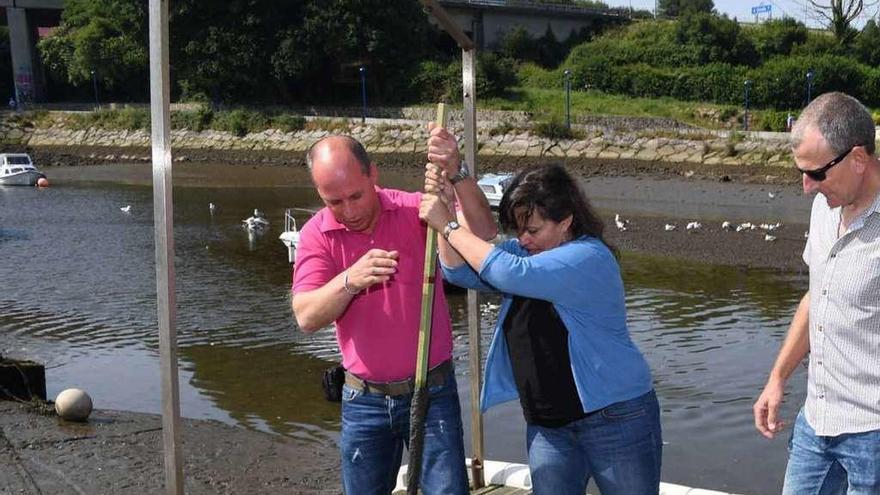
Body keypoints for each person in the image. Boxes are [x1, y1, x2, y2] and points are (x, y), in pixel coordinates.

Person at [420, 163, 662, 495]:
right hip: (549, 427)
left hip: (615, 419)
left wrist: (447, 226)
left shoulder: (588, 256)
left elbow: (507, 273)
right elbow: (458, 272)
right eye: (519, 230)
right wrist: (449, 207)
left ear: (565, 221)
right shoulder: (526, 253)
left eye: (532, 230)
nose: (523, 239)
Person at [291, 130, 496, 494]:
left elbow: (483, 230)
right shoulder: (316, 234)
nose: (349, 211)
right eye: (334, 201)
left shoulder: (415, 210)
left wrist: (457, 173)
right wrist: (349, 280)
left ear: (373, 174)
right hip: (362, 400)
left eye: (356, 195)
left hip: (431, 392)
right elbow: (306, 316)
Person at [753, 92, 880, 494]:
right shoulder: (825, 207)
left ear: (858, 159)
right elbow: (817, 298)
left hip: (873, 436)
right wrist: (777, 379)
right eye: (802, 173)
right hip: (817, 421)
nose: (807, 187)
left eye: (817, 174)